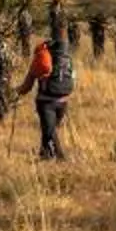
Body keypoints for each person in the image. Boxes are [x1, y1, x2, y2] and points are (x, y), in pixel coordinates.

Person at [27, 29, 74, 161]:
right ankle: (44, 155)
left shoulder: (42, 58)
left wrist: (16, 91)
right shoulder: (68, 60)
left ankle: (59, 158)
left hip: (46, 102)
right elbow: (73, 78)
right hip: (63, 102)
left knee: (49, 132)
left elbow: (28, 83)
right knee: (50, 131)